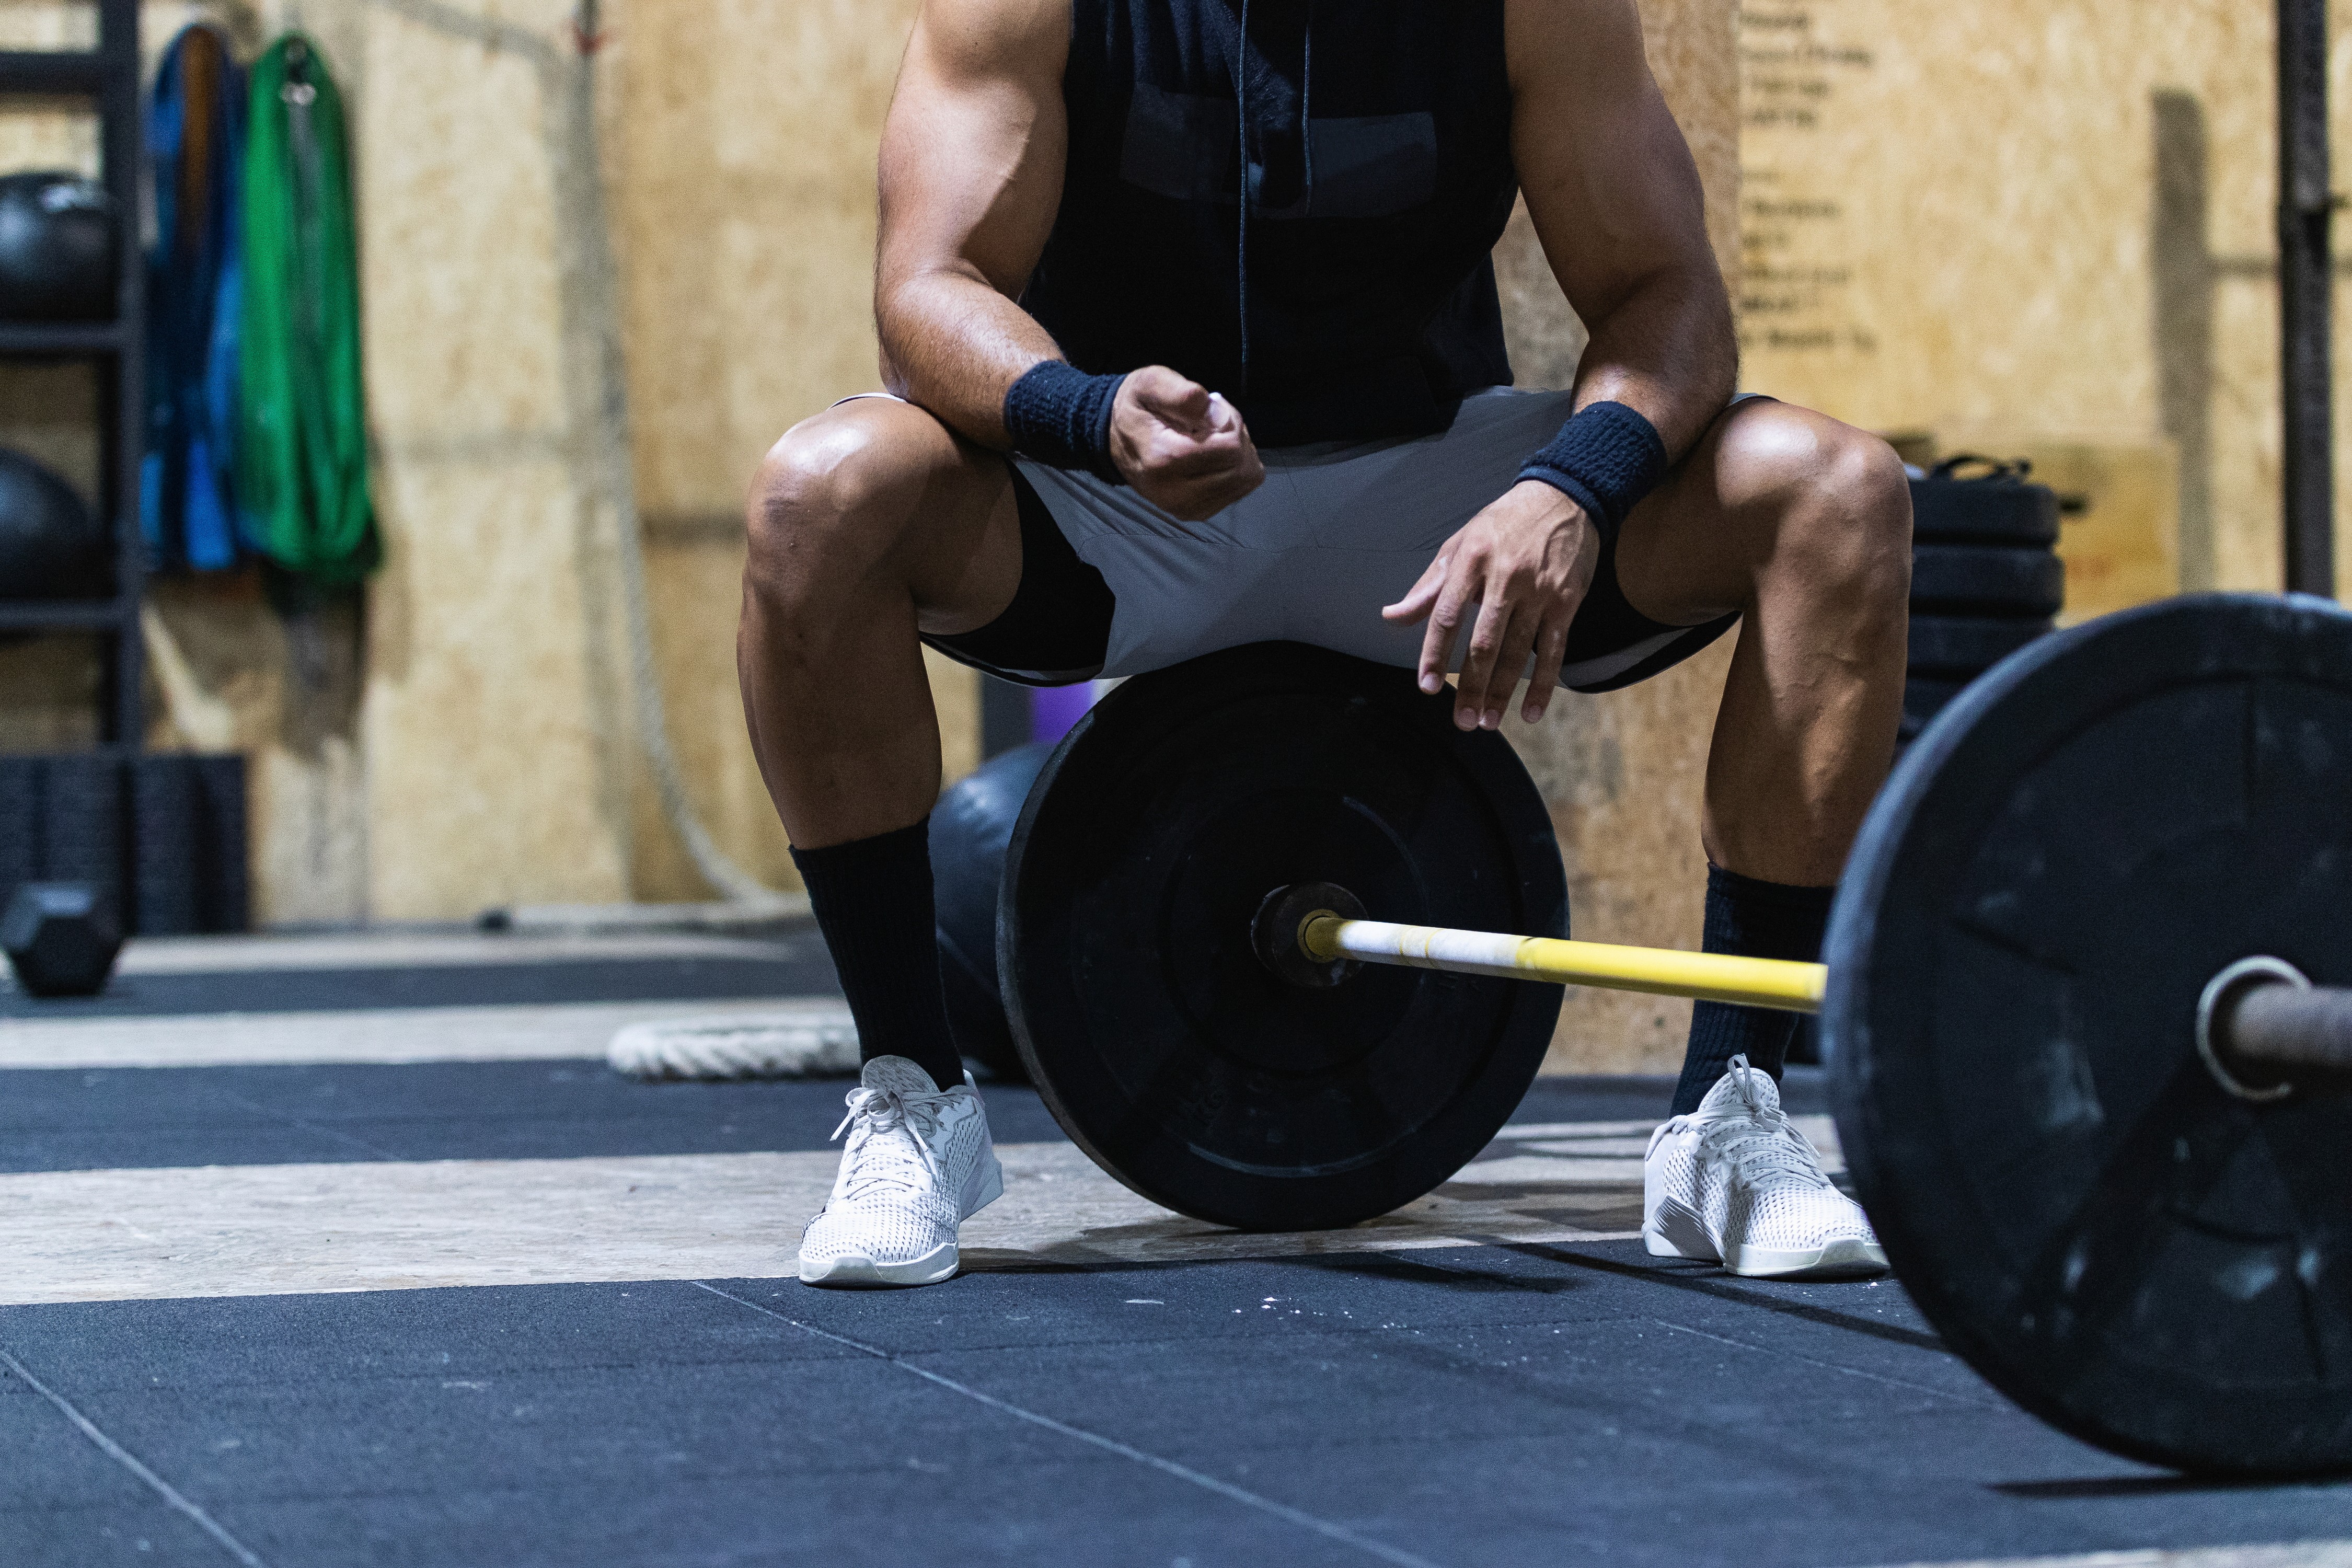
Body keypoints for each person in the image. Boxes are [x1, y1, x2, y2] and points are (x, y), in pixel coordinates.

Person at [739, 0, 1911, 1288]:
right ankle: (915, 1097)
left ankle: (1731, 1117)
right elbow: (928, 287)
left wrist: (1573, 487)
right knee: (818, 496)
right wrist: (1091, 412)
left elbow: (1662, 291)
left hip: (1428, 492)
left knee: (1835, 493)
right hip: (1122, 493)